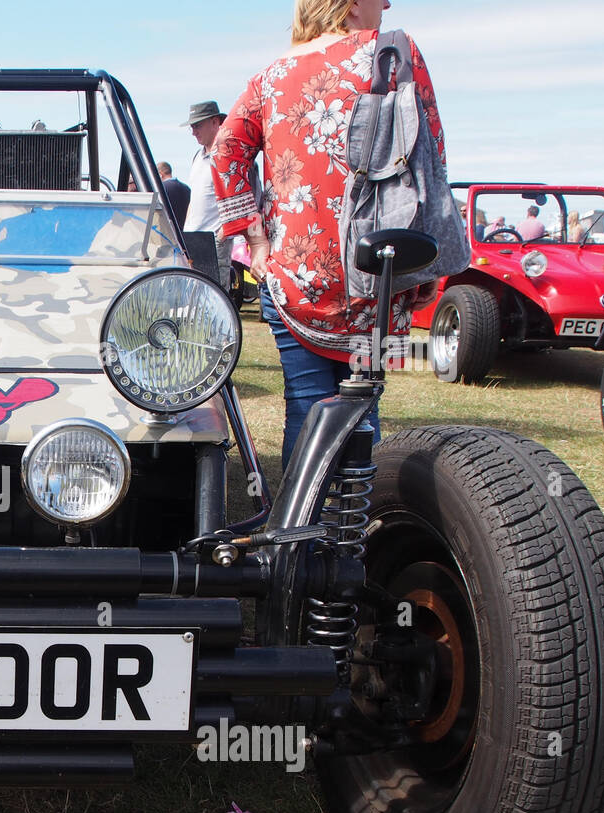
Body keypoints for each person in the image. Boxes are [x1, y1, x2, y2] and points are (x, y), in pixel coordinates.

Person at [212, 0, 446, 470]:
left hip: (292, 276)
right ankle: (350, 536)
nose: (388, 3)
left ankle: (298, 538)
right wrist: (426, 271)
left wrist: (255, 239)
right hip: (376, 270)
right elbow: (429, 161)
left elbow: (225, 151)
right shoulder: (396, 53)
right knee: (363, 406)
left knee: (305, 403)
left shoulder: (272, 76)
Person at [183, 101, 232, 288]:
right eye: (192, 127)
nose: (194, 131)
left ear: (215, 122)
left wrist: (222, 236)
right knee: (192, 299)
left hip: (214, 240)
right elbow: (194, 198)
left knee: (214, 300)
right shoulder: (198, 156)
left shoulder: (227, 156)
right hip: (193, 240)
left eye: (197, 125)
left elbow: (241, 198)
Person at [157, 160, 191, 227]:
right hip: (184, 230)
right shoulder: (186, 188)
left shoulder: (161, 189)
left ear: (160, 174)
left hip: (168, 229)